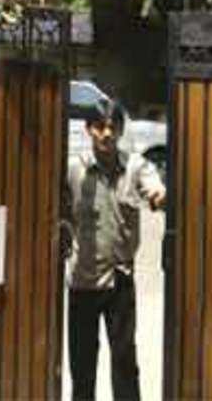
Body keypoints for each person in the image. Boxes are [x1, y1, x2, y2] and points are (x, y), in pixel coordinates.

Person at [62, 97, 166, 401]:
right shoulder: (74, 171)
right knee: (82, 368)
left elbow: (154, 189)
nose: (106, 133)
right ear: (88, 129)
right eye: (99, 127)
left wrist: (159, 196)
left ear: (120, 131)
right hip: (83, 281)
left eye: (112, 127)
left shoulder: (135, 167)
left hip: (120, 279)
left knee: (124, 364)